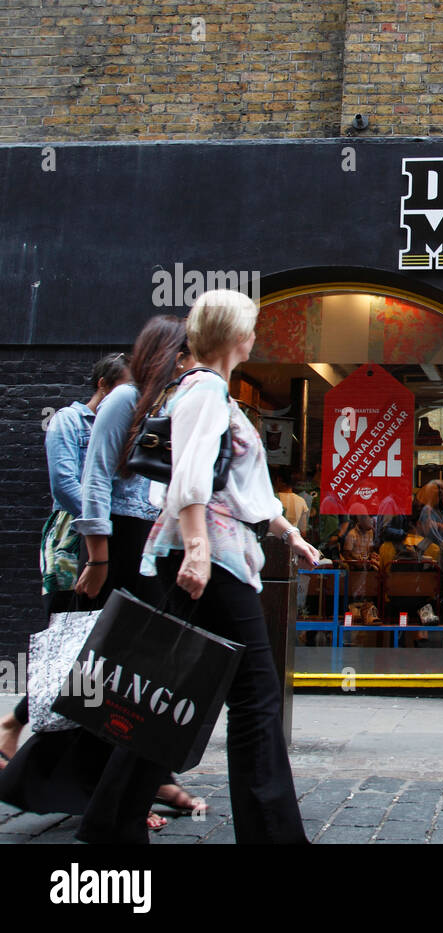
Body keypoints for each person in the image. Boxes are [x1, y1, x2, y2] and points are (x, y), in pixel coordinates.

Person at [76, 289, 320, 845]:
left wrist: (289, 533)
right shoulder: (207, 388)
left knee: (172, 689)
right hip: (209, 559)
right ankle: (272, 835)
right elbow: (188, 476)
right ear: (237, 336)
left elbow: (239, 489)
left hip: (208, 554)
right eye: (251, 327)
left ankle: (110, 823)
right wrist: (197, 550)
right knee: (255, 695)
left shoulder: (209, 391)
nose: (256, 336)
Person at [0, 320, 198, 827]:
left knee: (122, 670)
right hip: (117, 546)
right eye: (182, 357)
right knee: (110, 668)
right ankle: (112, 787)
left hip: (144, 544)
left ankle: (125, 783)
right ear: (164, 356)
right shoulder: (121, 401)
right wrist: (99, 557)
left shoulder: (160, 408)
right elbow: (88, 485)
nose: (186, 367)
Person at [0, 353, 130, 771]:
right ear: (104, 386)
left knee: (96, 646)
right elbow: (66, 485)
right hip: (75, 541)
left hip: (107, 538)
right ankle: (24, 730)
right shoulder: (68, 423)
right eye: (125, 388)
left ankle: (18, 725)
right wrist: (105, 523)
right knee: (70, 641)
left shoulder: (123, 424)